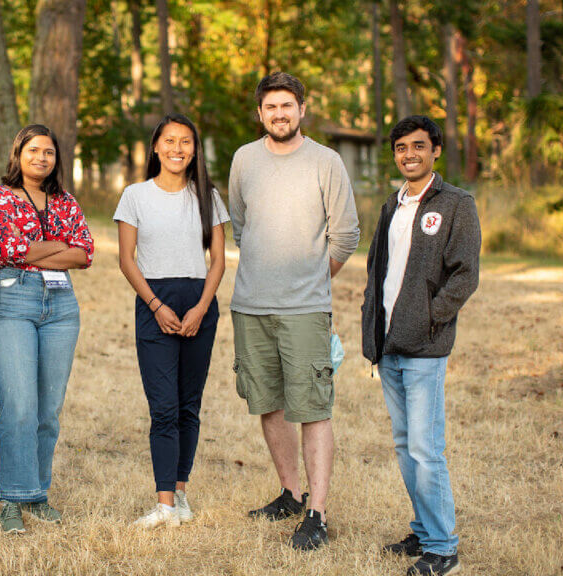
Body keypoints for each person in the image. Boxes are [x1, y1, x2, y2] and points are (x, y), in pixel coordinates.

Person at [229, 72, 359, 550]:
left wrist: (309, 280)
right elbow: (242, 226)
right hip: (250, 305)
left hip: (306, 309)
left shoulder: (325, 162)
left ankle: (317, 513)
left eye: (288, 106)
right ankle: (289, 492)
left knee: (313, 408)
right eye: (271, 107)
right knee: (267, 402)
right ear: (260, 113)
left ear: (302, 109)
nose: (279, 114)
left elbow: (346, 234)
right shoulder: (244, 159)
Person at [361, 115, 480, 576]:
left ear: (435, 151)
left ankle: (443, 547)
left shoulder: (456, 204)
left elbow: (465, 274)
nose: (408, 154)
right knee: (405, 443)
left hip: (425, 346)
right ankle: (425, 530)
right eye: (400, 148)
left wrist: (431, 316)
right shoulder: (392, 205)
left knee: (427, 449)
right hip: (388, 343)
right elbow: (379, 269)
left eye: (417, 146)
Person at [114, 114, 228, 529]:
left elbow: (218, 260)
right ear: (156, 147)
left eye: (185, 142)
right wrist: (156, 305)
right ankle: (163, 506)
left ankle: (180, 494)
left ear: (194, 150)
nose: (177, 149)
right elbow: (126, 259)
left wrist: (200, 308)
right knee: (163, 408)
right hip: (154, 303)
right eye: (169, 141)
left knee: (187, 406)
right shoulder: (135, 195)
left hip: (199, 302)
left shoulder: (208, 197)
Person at [0, 124, 94, 534]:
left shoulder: (65, 200)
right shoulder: (0, 197)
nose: (41, 158)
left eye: (48, 152)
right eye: (33, 150)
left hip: (62, 306)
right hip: (13, 302)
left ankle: (36, 493)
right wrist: (57, 247)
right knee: (18, 406)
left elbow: (85, 253)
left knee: (48, 410)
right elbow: (9, 250)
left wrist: (35, 250)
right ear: (19, 154)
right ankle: (12, 496)